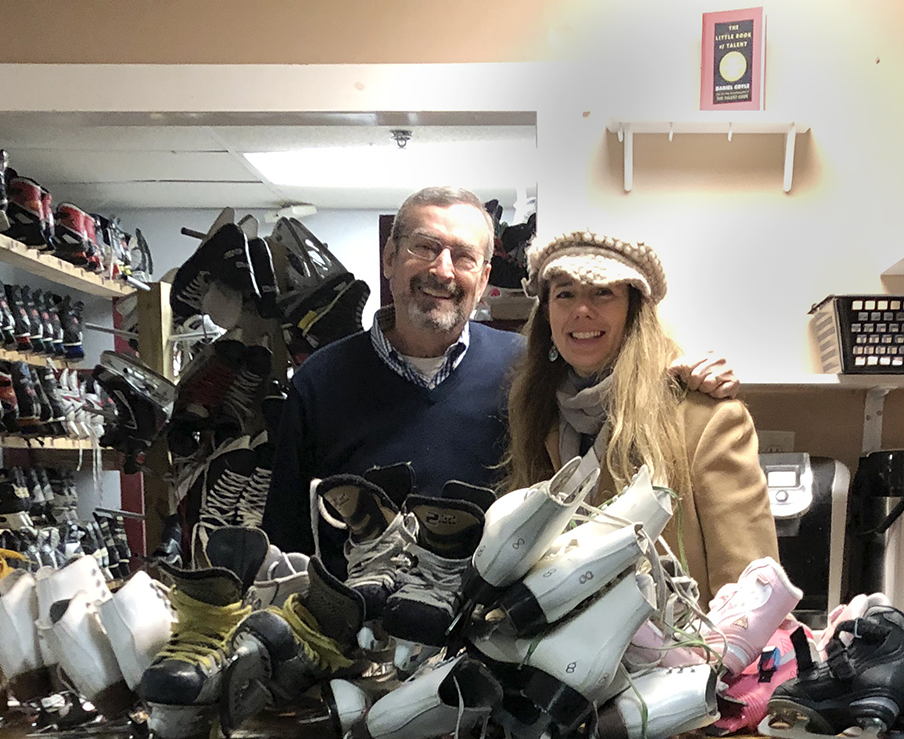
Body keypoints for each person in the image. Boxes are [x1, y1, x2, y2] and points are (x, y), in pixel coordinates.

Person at [263, 187, 736, 553]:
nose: (443, 271)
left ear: (485, 277)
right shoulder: (320, 382)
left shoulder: (524, 368)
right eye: (425, 248)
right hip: (362, 646)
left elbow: (612, 384)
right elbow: (287, 539)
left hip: (494, 642)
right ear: (389, 258)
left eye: (464, 256)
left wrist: (682, 374)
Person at [505, 230, 777, 595]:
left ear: (635, 310)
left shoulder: (706, 419)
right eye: (565, 294)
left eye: (603, 292)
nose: (581, 309)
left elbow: (753, 595)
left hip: (683, 649)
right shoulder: (536, 416)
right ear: (547, 315)